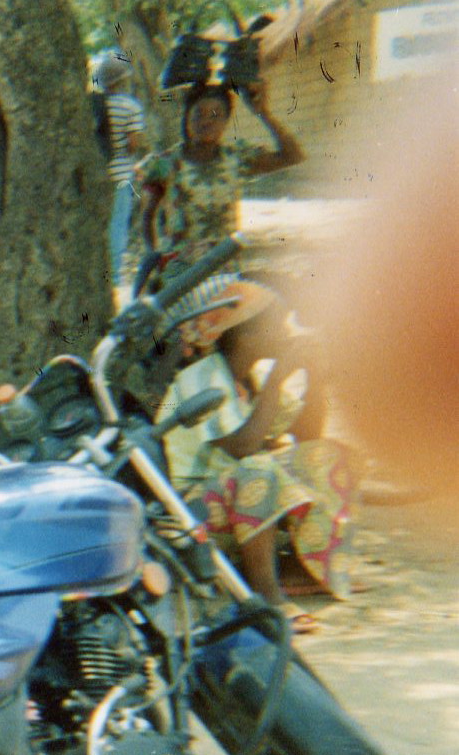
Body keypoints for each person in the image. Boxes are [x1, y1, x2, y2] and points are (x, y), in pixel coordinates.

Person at [159, 280, 353, 632]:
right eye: (277, 323)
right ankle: (265, 597)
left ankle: (300, 568)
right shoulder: (200, 380)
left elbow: (308, 438)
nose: (287, 330)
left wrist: (315, 379)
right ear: (246, 335)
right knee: (257, 470)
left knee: (331, 455)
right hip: (193, 504)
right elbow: (244, 448)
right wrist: (281, 375)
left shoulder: (251, 379)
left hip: (240, 492)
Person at [136, 80, 302, 291]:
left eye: (215, 115)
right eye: (199, 114)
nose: (206, 121)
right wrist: (154, 256)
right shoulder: (164, 164)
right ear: (187, 117)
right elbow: (147, 215)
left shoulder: (236, 157)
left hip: (225, 269)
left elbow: (292, 156)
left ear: (226, 121)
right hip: (179, 275)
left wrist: (263, 113)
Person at [93, 52, 146, 286]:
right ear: (124, 80)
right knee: (117, 227)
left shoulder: (93, 105)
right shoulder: (131, 106)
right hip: (121, 177)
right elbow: (133, 144)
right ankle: (113, 278)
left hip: (96, 177)